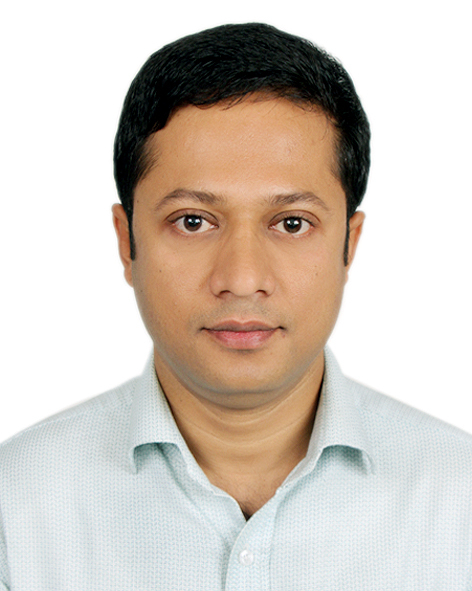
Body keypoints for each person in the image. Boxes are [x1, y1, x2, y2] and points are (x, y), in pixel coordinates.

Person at [1, 22, 471, 590]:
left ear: (350, 244)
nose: (242, 280)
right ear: (127, 243)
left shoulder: (458, 500)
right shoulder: (17, 507)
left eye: (291, 223)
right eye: (192, 222)